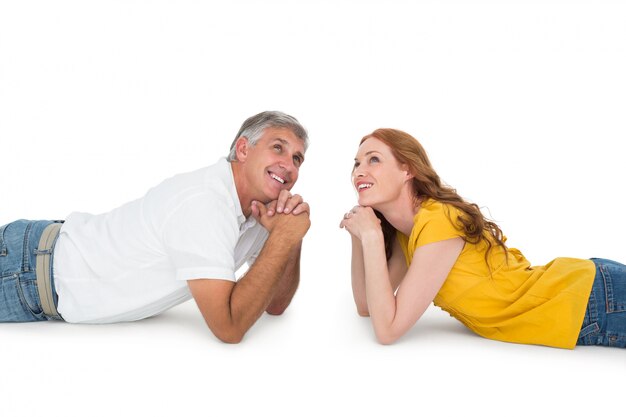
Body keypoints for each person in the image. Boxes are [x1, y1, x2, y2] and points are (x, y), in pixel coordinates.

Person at [0, 110, 311, 343]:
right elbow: (228, 327)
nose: (289, 165)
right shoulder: (204, 203)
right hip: (23, 269)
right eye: (278, 148)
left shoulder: (259, 213)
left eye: (298, 158)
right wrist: (282, 237)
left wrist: (290, 235)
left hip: (42, 270)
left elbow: (275, 303)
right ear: (243, 150)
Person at [340, 128, 625, 349]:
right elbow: (368, 306)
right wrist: (360, 234)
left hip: (592, 300)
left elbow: (388, 330)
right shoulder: (409, 234)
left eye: (373, 159)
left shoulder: (439, 219)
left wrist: (371, 235)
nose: (359, 171)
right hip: (586, 298)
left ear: (408, 170)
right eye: (356, 163)